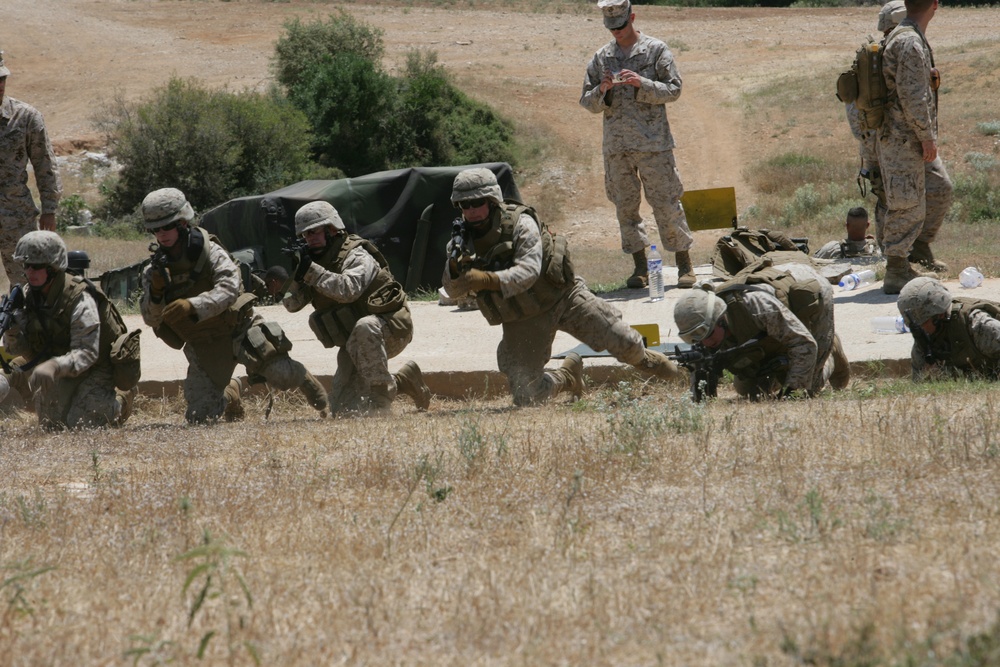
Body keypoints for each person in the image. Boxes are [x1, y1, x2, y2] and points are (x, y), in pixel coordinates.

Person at [441, 167, 683, 407]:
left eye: (477, 202)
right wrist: (454, 271)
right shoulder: (461, 242)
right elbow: (452, 292)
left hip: (563, 297)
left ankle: (655, 365)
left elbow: (529, 271)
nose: (471, 210)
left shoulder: (519, 223)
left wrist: (487, 280)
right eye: (464, 205)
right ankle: (567, 376)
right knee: (528, 396)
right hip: (524, 318)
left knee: (625, 341)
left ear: (492, 199)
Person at [139, 188, 328, 423]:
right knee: (200, 417)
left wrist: (193, 305)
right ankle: (232, 392)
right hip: (203, 342)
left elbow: (229, 290)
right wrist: (156, 294)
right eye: (156, 229)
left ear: (182, 222)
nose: (161, 234)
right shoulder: (154, 270)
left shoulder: (211, 253)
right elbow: (151, 319)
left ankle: (304, 378)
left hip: (239, 328)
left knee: (282, 375)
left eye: (167, 226)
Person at [579, 0, 696, 290]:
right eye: (611, 27)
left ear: (632, 18)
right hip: (617, 148)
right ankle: (640, 268)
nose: (616, 32)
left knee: (667, 204)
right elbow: (586, 101)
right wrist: (603, 90)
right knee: (625, 208)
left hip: (653, 144)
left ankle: (684, 265)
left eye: (621, 25)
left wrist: (641, 83)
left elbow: (674, 89)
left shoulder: (656, 50)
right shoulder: (601, 57)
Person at [281, 200, 431, 415]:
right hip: (356, 343)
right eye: (304, 235)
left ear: (331, 229)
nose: (309, 239)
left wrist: (312, 271)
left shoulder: (356, 254)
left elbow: (348, 290)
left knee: (365, 326)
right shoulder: (314, 261)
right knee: (344, 411)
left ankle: (381, 401)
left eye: (313, 232)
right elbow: (290, 304)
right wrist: (298, 274)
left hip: (389, 330)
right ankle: (405, 380)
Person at [0, 231, 136, 429]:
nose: (30, 272)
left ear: (54, 267)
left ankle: (122, 399)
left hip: (98, 366)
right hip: (62, 362)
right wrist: (12, 332)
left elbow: (88, 353)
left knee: (84, 424)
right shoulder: (29, 295)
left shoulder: (80, 297)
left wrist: (53, 367)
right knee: (51, 425)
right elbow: (18, 350)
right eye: (26, 266)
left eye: (37, 266)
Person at [672, 262, 850, 399]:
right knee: (749, 390)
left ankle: (831, 351)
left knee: (810, 387)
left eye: (708, 335)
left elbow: (802, 344)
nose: (705, 343)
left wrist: (790, 394)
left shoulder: (758, 307)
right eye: (696, 339)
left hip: (809, 291)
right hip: (775, 325)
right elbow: (701, 379)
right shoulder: (702, 327)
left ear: (720, 320)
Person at [877, 0, 953, 294]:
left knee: (938, 187)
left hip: (909, 136)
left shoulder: (910, 36)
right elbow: (913, 96)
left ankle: (919, 248)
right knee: (906, 202)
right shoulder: (909, 41)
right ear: (935, 5)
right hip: (902, 138)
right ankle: (896, 269)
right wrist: (927, 136)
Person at [845, 0, 906, 249]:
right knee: (903, 199)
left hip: (870, 141)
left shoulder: (868, 57)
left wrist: (867, 138)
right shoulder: (896, 55)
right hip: (893, 140)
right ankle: (897, 255)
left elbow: (850, 102)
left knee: (884, 196)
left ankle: (887, 253)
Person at [0, 51, 62, 292]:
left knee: (30, 287)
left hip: (17, 218)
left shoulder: (25, 117)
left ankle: (31, 331)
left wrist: (50, 209)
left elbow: (45, 164)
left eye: (2, 79)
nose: (0, 85)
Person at [897, 276, 1000, 381]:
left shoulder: (978, 325)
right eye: (914, 327)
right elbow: (918, 388)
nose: (919, 329)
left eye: (923, 322)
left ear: (939, 315)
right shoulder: (924, 342)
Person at [812, 207, 882, 262]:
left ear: (847, 225)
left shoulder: (832, 248)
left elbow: (811, 262)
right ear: (867, 225)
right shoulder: (877, 250)